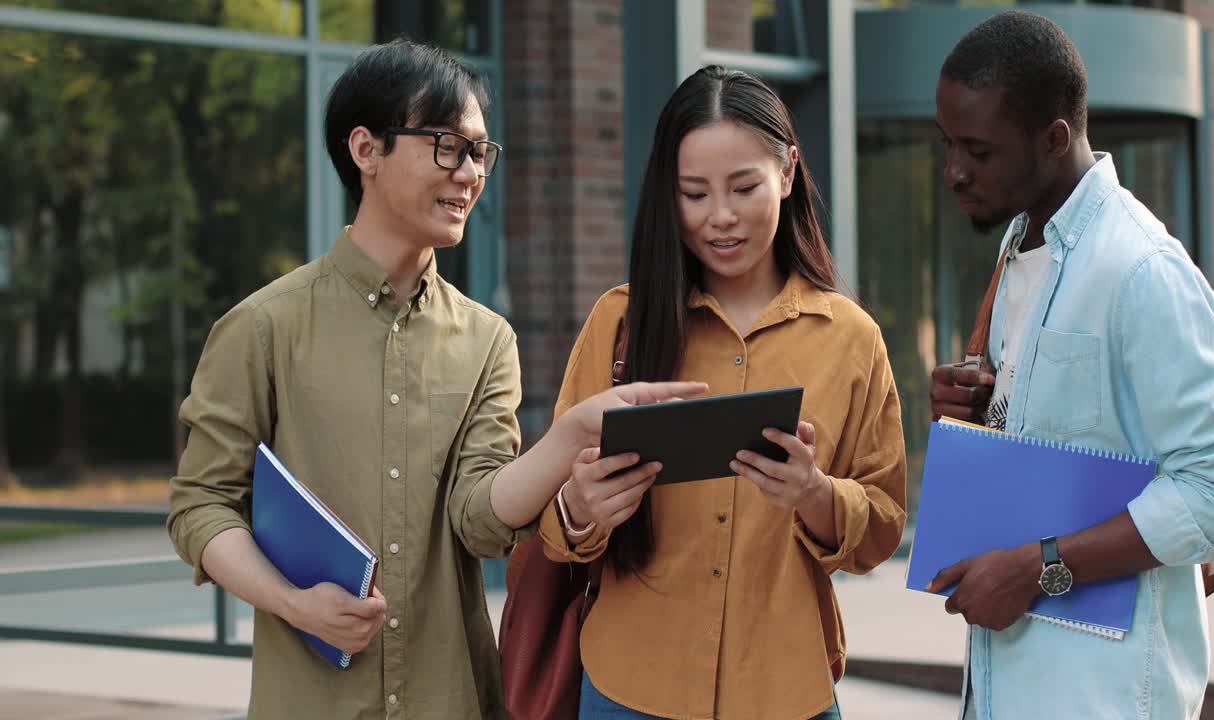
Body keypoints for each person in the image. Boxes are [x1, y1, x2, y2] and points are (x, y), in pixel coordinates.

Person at [167, 39, 703, 719]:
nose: (469, 174)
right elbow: (202, 504)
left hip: (452, 701)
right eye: (447, 147)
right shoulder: (261, 327)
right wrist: (294, 604)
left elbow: (479, 524)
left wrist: (569, 437)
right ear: (366, 149)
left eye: (480, 152)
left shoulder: (488, 340)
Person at [531, 65, 908, 720]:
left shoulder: (851, 339)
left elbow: (882, 527)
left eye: (743, 187)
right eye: (694, 194)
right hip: (629, 688)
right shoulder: (619, 323)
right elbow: (549, 516)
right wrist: (580, 507)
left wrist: (814, 494)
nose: (721, 217)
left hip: (786, 690)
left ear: (787, 172)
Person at [926, 11, 1214, 719]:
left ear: (1054, 139)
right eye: (948, 143)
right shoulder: (1020, 243)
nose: (953, 171)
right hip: (1006, 683)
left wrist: (1040, 567)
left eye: (978, 150)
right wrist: (976, 414)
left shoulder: (1141, 269)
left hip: (1103, 697)